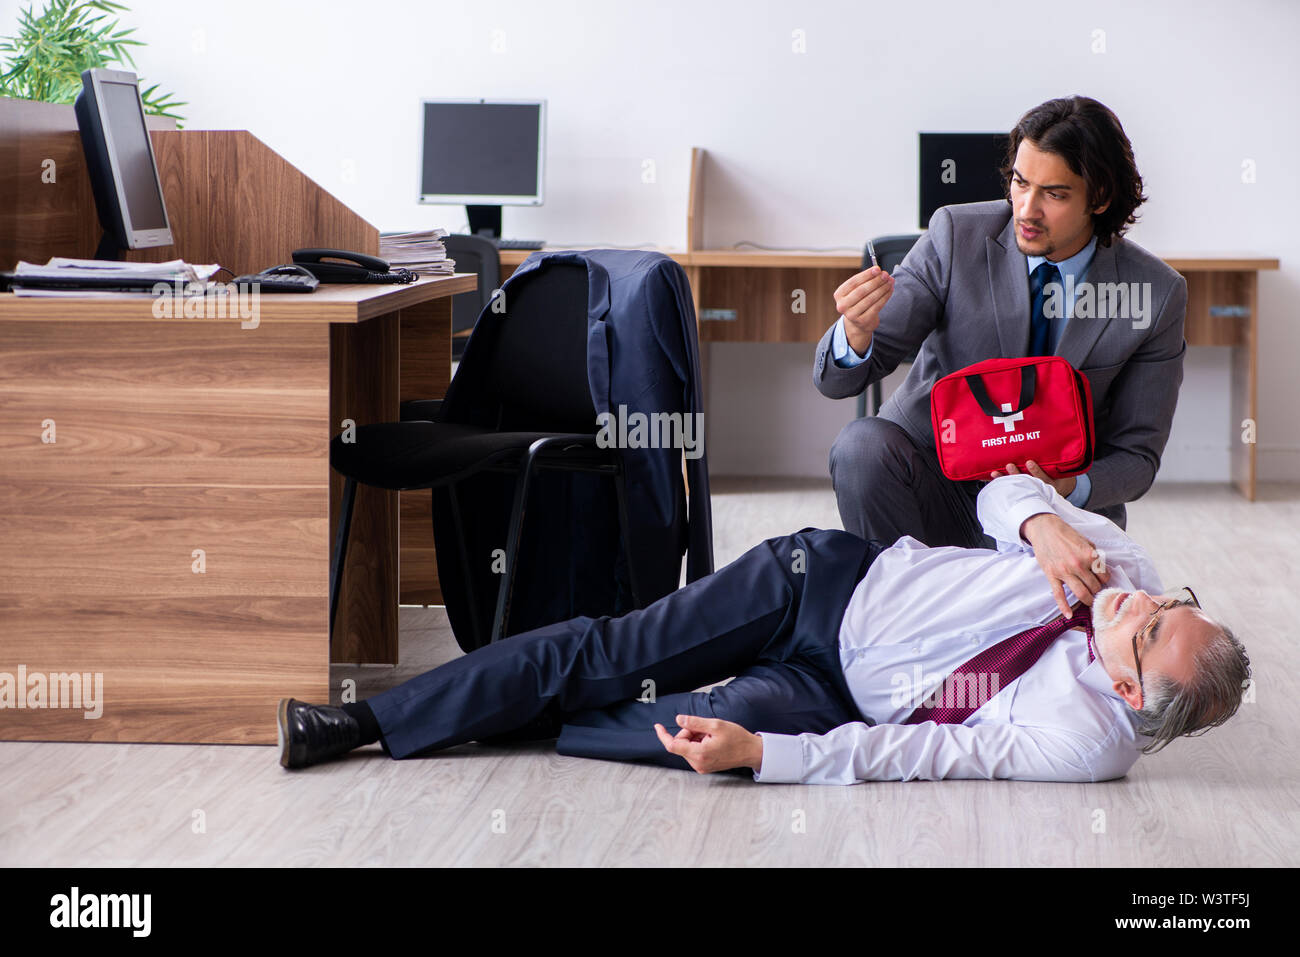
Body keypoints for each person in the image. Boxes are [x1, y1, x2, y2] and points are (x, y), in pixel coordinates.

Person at [277, 474, 1249, 784]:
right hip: (819, 588)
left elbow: (921, 759)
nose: (1135, 601)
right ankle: (366, 723)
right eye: (1166, 604)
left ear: (1128, 694)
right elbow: (1002, 488)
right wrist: (1041, 526)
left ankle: (516, 712)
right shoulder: (1116, 566)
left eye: (1143, 630)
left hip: (835, 693)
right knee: (612, 653)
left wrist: (770, 755)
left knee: (702, 732)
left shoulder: (1081, 744)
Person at [814, 95, 1187, 547]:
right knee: (861, 446)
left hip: (1053, 507)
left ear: (1101, 198)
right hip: (935, 479)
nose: (1026, 210)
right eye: (1020, 183)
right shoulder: (955, 235)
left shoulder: (1155, 292)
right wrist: (855, 332)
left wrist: (1064, 487)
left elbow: (1137, 457)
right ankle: (895, 606)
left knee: (1043, 614)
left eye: (1054, 194)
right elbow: (839, 384)